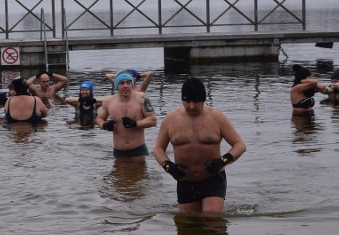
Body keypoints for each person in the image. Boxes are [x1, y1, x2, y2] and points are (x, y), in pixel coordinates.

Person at [153, 77, 246, 214]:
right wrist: (168, 166)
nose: (191, 106)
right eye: (187, 101)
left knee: (211, 218)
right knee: (188, 226)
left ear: (203, 100)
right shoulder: (170, 119)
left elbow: (240, 145)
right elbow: (158, 148)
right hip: (185, 180)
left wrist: (222, 161)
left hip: (213, 178)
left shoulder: (217, 118)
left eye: (196, 102)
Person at [96, 71, 157, 157]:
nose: (125, 86)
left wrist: (135, 123)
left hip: (138, 151)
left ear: (131, 84)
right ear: (116, 85)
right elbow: (99, 119)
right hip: (118, 152)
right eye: (122, 83)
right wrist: (104, 125)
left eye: (128, 82)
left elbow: (153, 120)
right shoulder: (108, 101)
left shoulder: (142, 98)